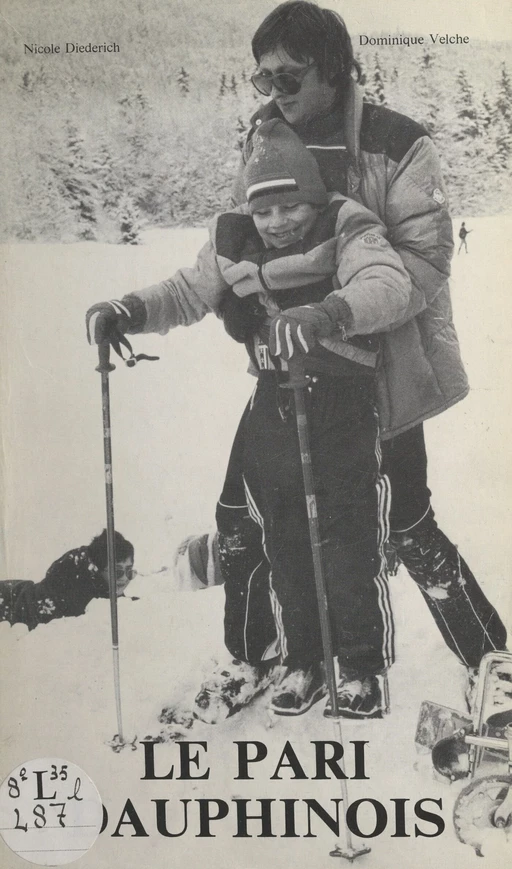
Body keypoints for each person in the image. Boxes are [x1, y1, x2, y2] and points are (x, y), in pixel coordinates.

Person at [211, 0, 506, 709]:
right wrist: (240, 298)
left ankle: (493, 665)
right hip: (287, 374)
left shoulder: (397, 141)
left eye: (288, 77)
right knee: (240, 511)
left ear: (334, 71)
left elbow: (425, 264)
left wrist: (337, 309)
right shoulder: (264, 136)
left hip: (381, 368)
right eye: (262, 79)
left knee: (404, 523)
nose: (273, 92)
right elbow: (242, 229)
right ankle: (259, 654)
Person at [86, 118, 417, 718]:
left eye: (291, 206)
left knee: (345, 539)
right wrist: (127, 311)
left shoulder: (347, 227)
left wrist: (328, 312)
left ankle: (361, 667)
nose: (278, 222)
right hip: (274, 402)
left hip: (340, 404)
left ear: (315, 199)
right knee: (284, 536)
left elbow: (388, 285)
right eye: (265, 211)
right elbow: (186, 292)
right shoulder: (232, 238)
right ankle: (306, 658)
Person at [0, 530, 135, 630]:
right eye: (117, 572)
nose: (124, 578)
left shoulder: (99, 581)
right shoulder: (74, 586)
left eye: (129, 571)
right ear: (97, 569)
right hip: (9, 605)